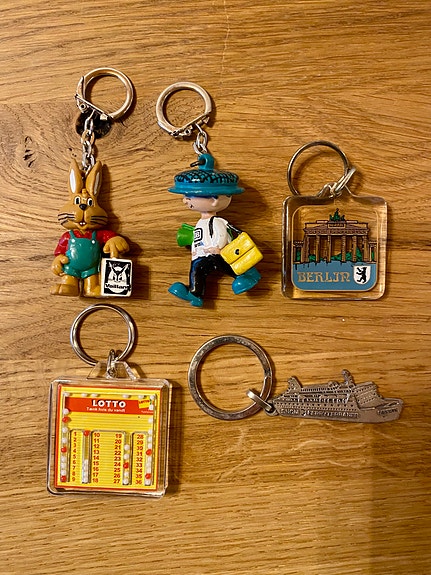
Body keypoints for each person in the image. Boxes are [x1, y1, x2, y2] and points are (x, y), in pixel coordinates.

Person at [167, 154, 261, 307]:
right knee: (196, 269)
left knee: (221, 263)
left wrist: (218, 247)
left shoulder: (216, 221)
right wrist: (195, 251)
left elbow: (221, 234)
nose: (185, 200)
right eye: (185, 196)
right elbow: (198, 237)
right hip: (203, 254)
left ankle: (244, 275)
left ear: (213, 200)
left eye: (189, 197)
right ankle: (195, 293)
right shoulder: (201, 222)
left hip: (216, 253)